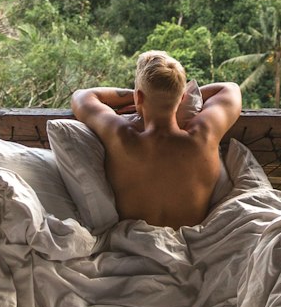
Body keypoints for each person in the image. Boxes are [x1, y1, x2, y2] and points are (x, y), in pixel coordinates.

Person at [70, 51, 242, 229]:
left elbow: (82, 96)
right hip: (187, 239)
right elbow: (231, 88)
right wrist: (171, 93)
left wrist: (147, 95)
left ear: (139, 96)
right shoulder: (204, 135)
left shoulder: (120, 136)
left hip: (134, 241)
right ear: (183, 98)